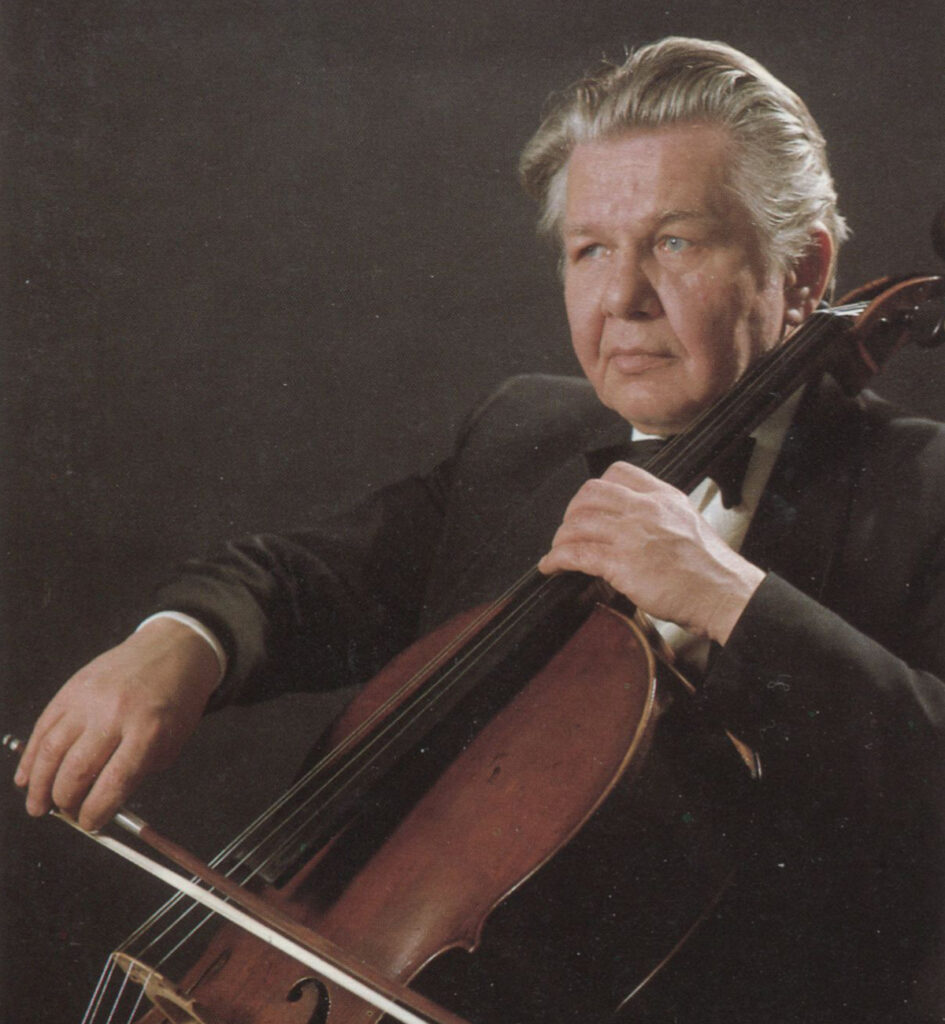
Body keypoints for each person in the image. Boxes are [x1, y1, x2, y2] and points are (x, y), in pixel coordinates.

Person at [14, 36, 945, 1023]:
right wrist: (178, 645)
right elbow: (299, 580)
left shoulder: (919, 490)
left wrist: (727, 595)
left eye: (675, 242)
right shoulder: (522, 436)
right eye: (590, 250)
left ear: (804, 269)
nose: (622, 299)